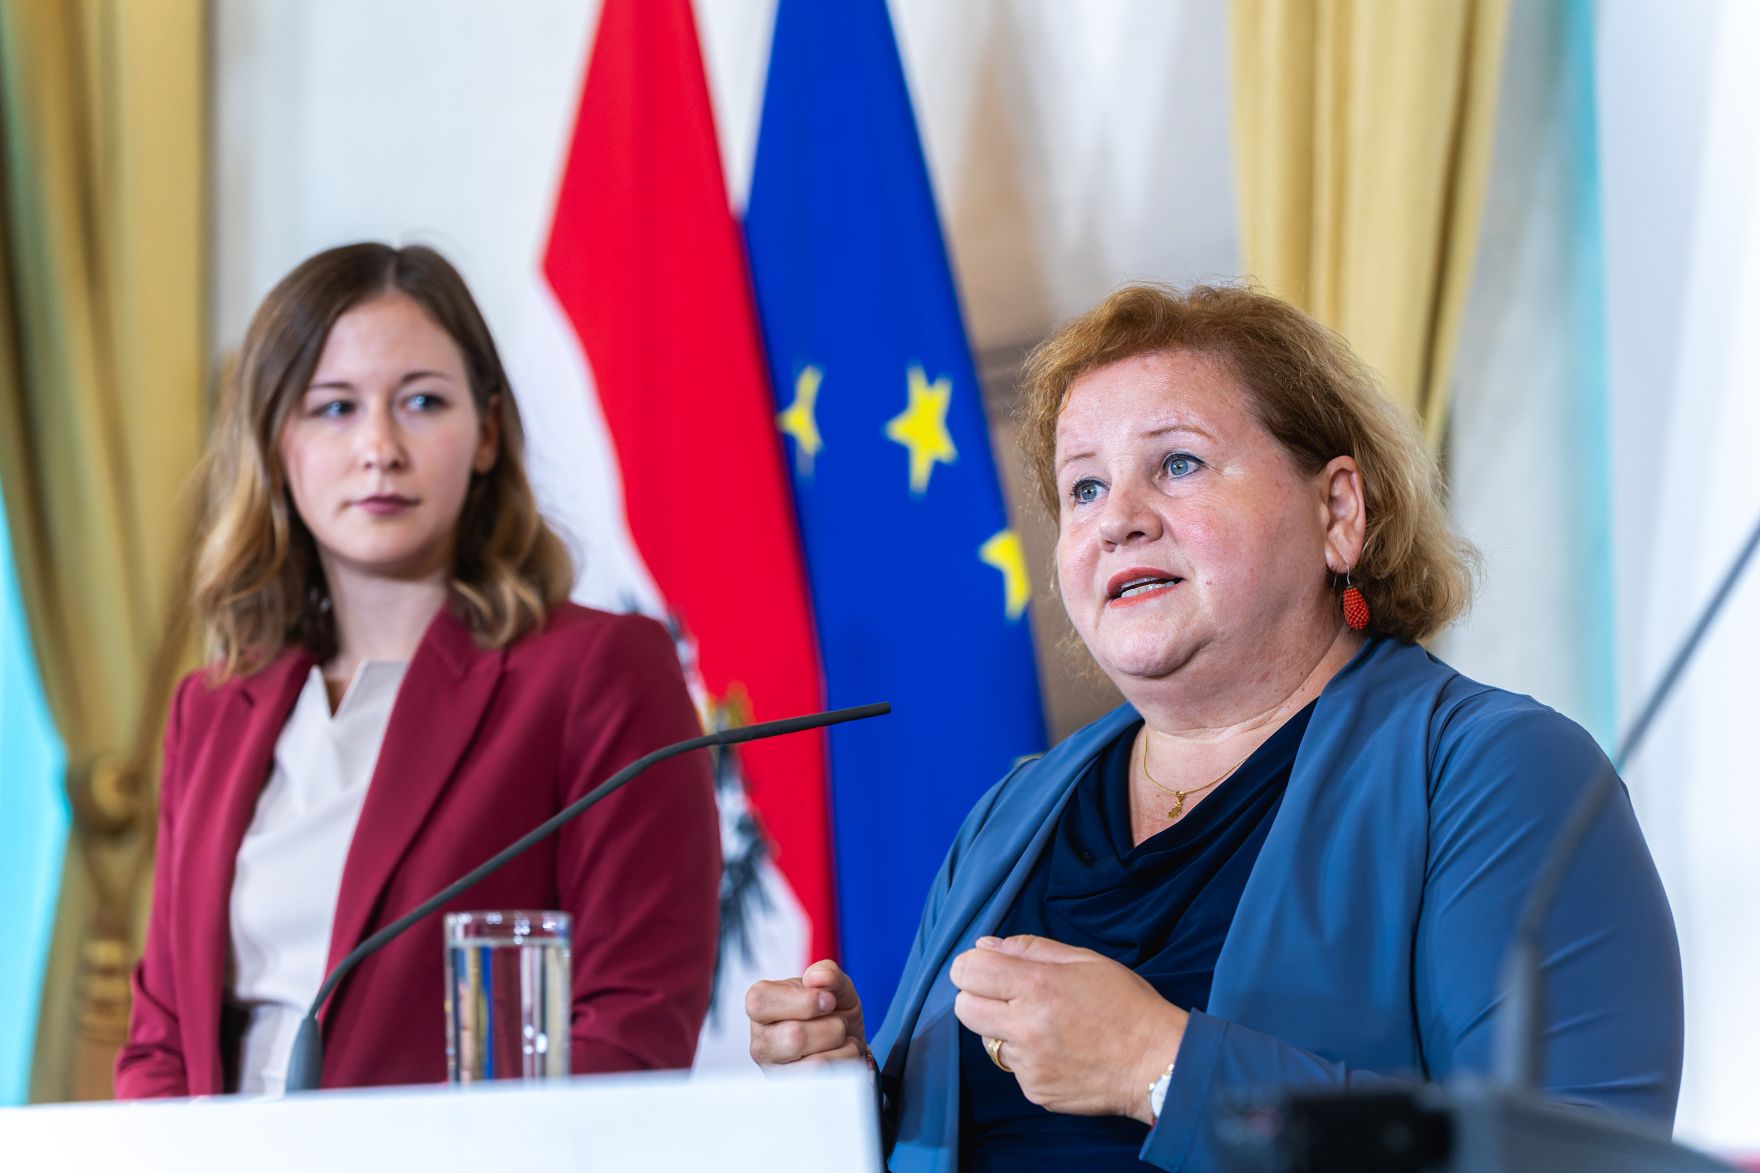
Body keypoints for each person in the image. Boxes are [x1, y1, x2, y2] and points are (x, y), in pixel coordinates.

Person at [746, 284, 1683, 1171]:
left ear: (1337, 513)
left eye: (1178, 464)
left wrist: (1162, 1067)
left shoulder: (1496, 775)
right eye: (1082, 488)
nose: (1117, 520)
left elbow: (1574, 1152)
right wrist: (845, 1107)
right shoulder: (1011, 814)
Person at [116, 243, 720, 1097]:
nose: (378, 447)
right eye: (333, 408)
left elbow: (631, 1025)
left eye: (423, 401)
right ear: (276, 442)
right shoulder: (210, 710)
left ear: (487, 433)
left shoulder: (599, 671)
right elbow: (161, 1044)